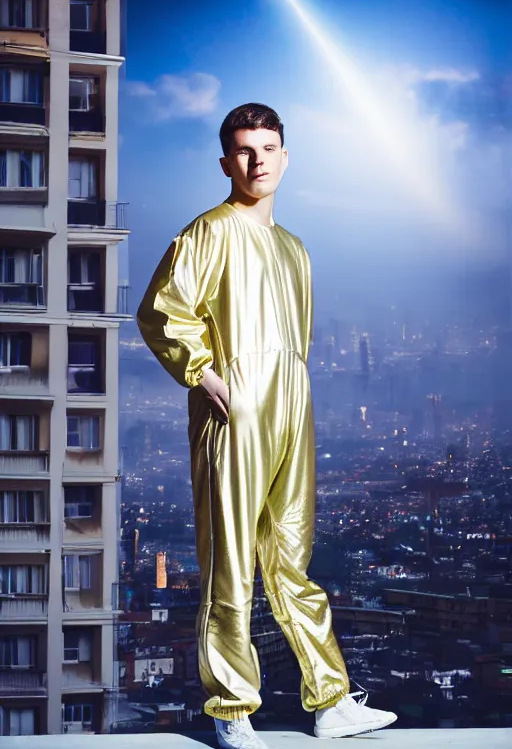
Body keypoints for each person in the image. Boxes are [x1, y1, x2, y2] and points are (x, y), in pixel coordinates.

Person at [137, 103, 397, 749]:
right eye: (245, 150)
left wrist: (291, 394)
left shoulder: (295, 250)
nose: (257, 161)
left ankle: (331, 700)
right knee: (232, 565)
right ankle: (230, 709)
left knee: (291, 561)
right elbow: (162, 312)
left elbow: (296, 340)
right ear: (227, 162)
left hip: (291, 410)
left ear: (285, 157)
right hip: (234, 412)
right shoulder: (207, 233)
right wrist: (205, 374)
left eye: (269, 148)